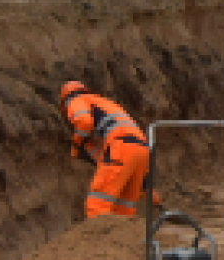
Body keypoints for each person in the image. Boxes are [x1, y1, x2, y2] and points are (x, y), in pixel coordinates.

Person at [60, 81, 154, 217]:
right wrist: (145, 184)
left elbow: (84, 122)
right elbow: (131, 144)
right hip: (142, 150)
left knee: (97, 204)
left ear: (65, 102)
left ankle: (98, 238)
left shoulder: (76, 100)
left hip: (121, 148)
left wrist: (77, 145)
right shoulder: (104, 103)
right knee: (124, 209)